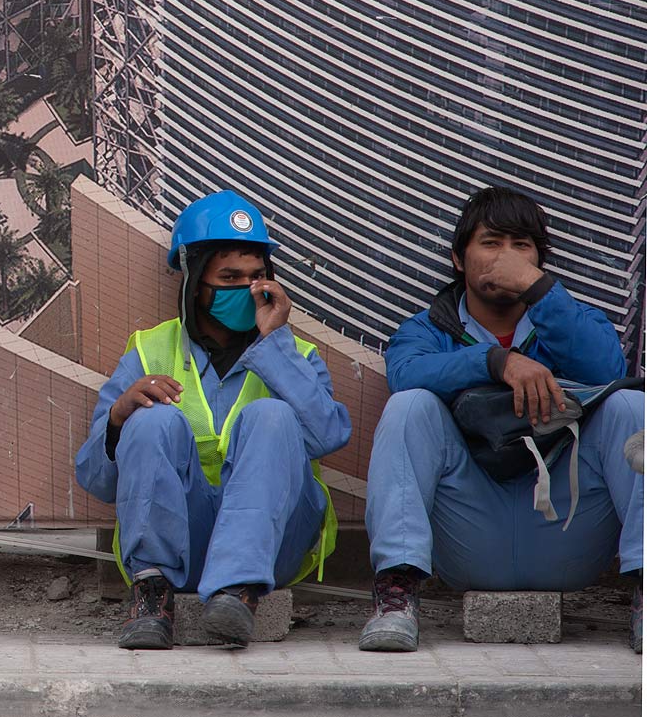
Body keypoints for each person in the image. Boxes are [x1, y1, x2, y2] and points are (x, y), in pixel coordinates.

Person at [360, 187, 642, 654]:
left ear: (540, 262)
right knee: (410, 406)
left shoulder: (571, 319)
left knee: (632, 408)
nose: (506, 258)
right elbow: (406, 372)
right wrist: (495, 362)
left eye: (521, 246)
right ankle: (395, 596)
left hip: (564, 529)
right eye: (491, 243)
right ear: (458, 258)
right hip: (469, 533)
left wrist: (538, 292)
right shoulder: (427, 329)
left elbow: (607, 369)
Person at [75, 191, 349, 649]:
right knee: (149, 419)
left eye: (256, 276)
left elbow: (328, 435)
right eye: (228, 277)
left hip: (272, 546)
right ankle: (152, 595)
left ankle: (238, 591)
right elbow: (96, 480)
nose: (246, 289)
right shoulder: (148, 349)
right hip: (185, 539)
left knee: (272, 414)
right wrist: (119, 419)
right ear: (194, 279)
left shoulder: (296, 354)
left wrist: (274, 343)